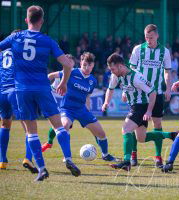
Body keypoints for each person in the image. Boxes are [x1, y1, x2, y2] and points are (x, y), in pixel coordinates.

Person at [0, 5, 78, 181]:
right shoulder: (47, 40)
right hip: (42, 88)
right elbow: (68, 64)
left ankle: (42, 168)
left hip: (22, 90)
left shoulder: (15, 37)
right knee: (58, 126)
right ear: (42, 20)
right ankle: (68, 158)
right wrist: (64, 83)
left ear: (26, 20)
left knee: (31, 132)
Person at [102, 53, 177, 170]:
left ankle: (126, 162)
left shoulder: (136, 76)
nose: (111, 72)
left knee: (126, 129)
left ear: (120, 66)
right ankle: (172, 135)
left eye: (113, 69)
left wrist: (149, 111)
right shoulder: (116, 76)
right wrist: (106, 102)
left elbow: (152, 92)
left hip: (140, 106)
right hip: (135, 106)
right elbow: (110, 89)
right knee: (141, 138)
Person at [45, 52, 116, 161]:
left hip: (81, 109)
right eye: (84, 65)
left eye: (90, 65)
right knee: (64, 125)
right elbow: (50, 76)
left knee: (101, 133)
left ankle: (105, 155)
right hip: (67, 108)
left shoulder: (93, 80)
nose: (87, 68)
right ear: (81, 63)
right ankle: (67, 157)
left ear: (93, 66)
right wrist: (46, 88)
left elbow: (87, 96)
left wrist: (87, 110)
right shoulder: (71, 72)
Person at [128, 24, 172, 166]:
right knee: (135, 124)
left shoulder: (164, 52)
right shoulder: (138, 49)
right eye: (146, 37)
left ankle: (158, 156)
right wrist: (127, 89)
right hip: (139, 93)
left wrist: (168, 88)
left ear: (157, 36)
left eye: (151, 37)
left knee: (157, 123)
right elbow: (131, 71)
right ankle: (133, 154)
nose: (148, 40)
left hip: (157, 92)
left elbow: (167, 71)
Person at [0, 30, 37, 173]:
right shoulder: (22, 52)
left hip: (2, 92)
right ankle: (28, 158)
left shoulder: (2, 53)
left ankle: (2, 160)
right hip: (16, 91)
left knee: (5, 124)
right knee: (29, 127)